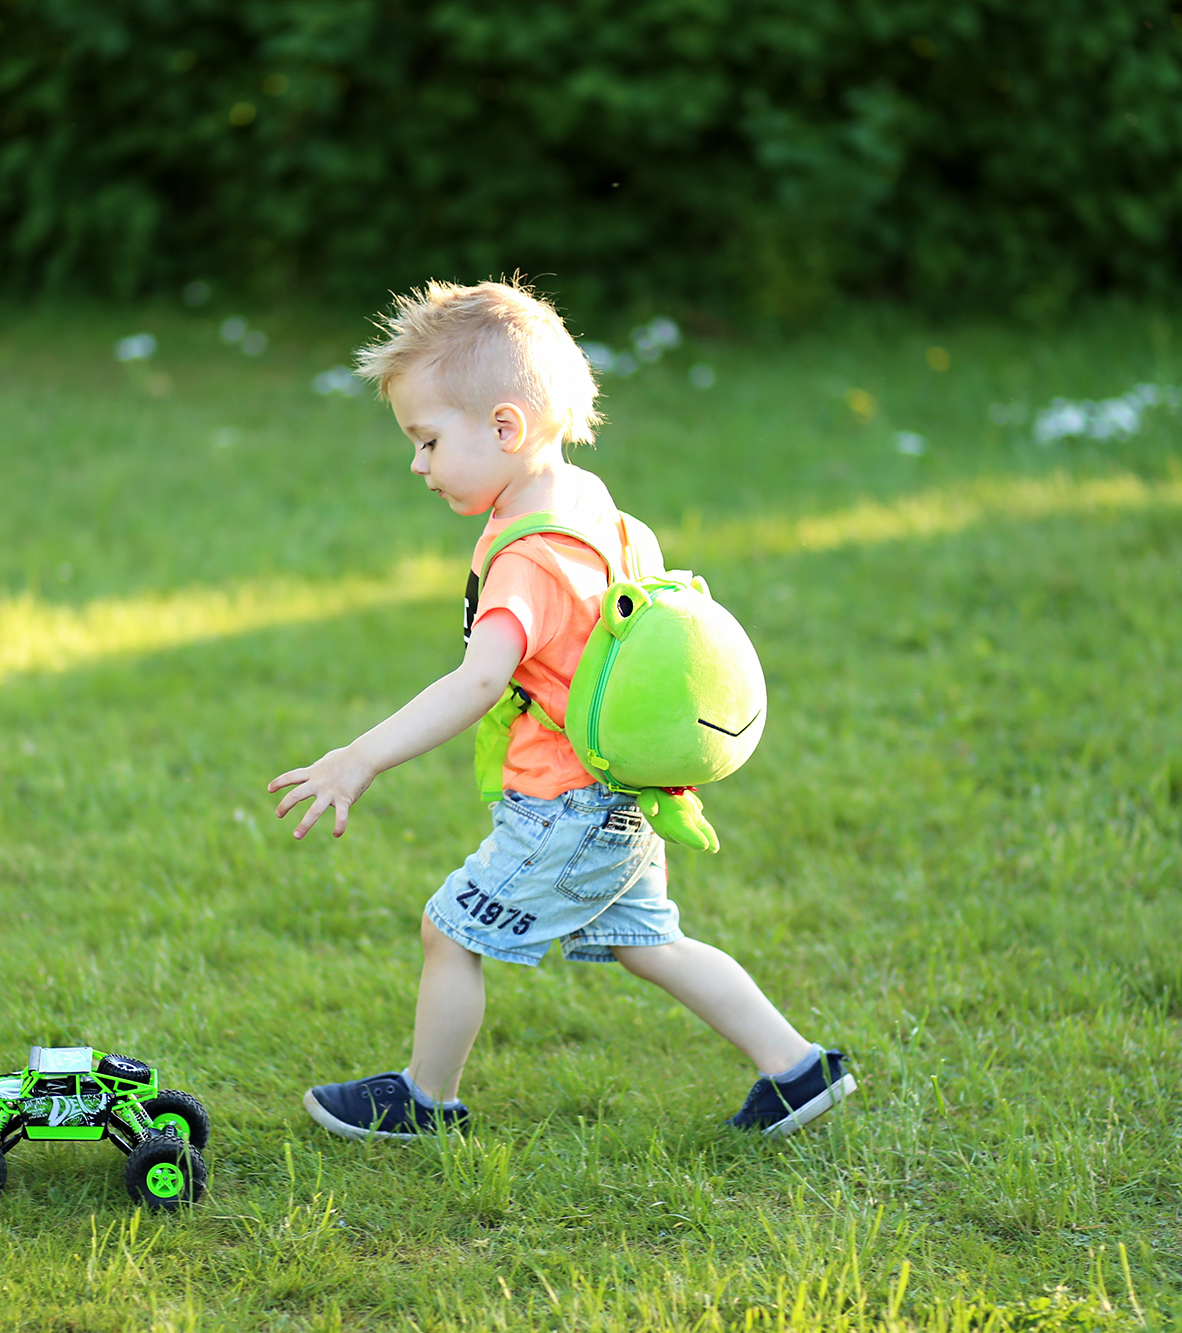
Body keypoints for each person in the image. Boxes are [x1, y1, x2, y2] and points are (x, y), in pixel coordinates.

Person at [267, 278, 854, 1139]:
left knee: (448, 930)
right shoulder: (592, 504)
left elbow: (475, 682)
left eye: (427, 441)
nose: (417, 465)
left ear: (505, 426)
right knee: (650, 942)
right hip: (622, 791)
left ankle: (422, 1104)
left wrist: (358, 759)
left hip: (564, 806)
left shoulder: (529, 559)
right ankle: (800, 1070)